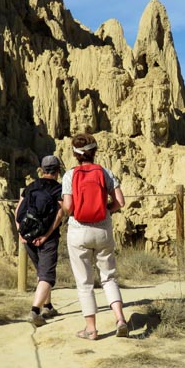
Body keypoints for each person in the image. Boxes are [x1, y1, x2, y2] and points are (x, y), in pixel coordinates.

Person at [62, 133, 128, 340]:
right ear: (94, 152)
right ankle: (120, 319)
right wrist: (106, 209)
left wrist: (65, 209)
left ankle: (91, 329)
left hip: (78, 231)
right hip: (103, 230)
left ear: (75, 154)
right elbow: (120, 202)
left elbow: (68, 207)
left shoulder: (70, 175)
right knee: (109, 277)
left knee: (84, 282)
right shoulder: (105, 172)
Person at [15, 155, 65, 327]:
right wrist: (46, 235)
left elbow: (18, 210)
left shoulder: (31, 187)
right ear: (57, 171)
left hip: (28, 237)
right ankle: (35, 311)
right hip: (47, 238)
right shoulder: (58, 189)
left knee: (41, 272)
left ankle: (48, 306)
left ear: (42, 170)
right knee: (47, 275)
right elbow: (60, 214)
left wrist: (20, 232)